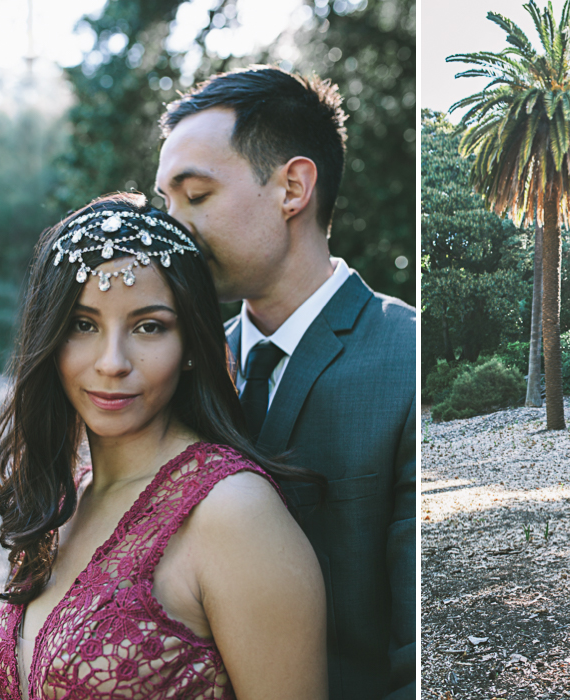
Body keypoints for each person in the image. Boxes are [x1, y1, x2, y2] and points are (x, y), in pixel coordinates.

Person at [0, 194, 328, 700]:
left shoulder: (233, 514)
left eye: (149, 326)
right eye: (83, 325)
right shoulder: (66, 500)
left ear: (189, 344)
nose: (112, 362)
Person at [155, 66, 415, 700]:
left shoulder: (405, 356)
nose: (170, 230)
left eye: (196, 196)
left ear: (293, 187)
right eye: (164, 203)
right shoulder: (177, 366)